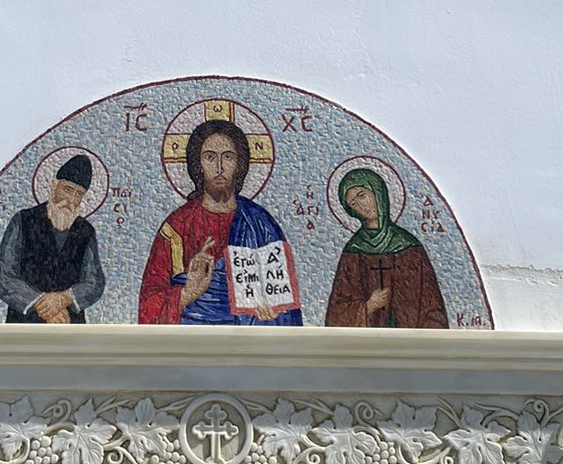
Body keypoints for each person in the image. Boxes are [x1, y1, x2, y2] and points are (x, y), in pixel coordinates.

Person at [138, 121, 301, 326]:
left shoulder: (261, 224)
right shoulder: (177, 226)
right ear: (198, 165)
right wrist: (188, 293)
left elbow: (286, 307)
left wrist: (273, 311)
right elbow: (148, 305)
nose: (219, 168)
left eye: (228, 157)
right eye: (209, 157)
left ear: (239, 164)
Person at [323, 167, 448, 328]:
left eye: (362, 195)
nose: (361, 206)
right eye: (353, 203)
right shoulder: (353, 250)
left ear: (378, 191)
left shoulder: (410, 246)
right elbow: (336, 313)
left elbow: (431, 304)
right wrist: (368, 306)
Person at [0, 154, 105, 324]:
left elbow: (94, 282)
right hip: (24, 324)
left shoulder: (86, 231)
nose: (71, 200)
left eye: (79, 194)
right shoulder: (23, 220)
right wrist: (41, 304)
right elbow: (2, 275)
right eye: (67, 189)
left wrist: (65, 298)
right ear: (53, 186)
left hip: (69, 325)